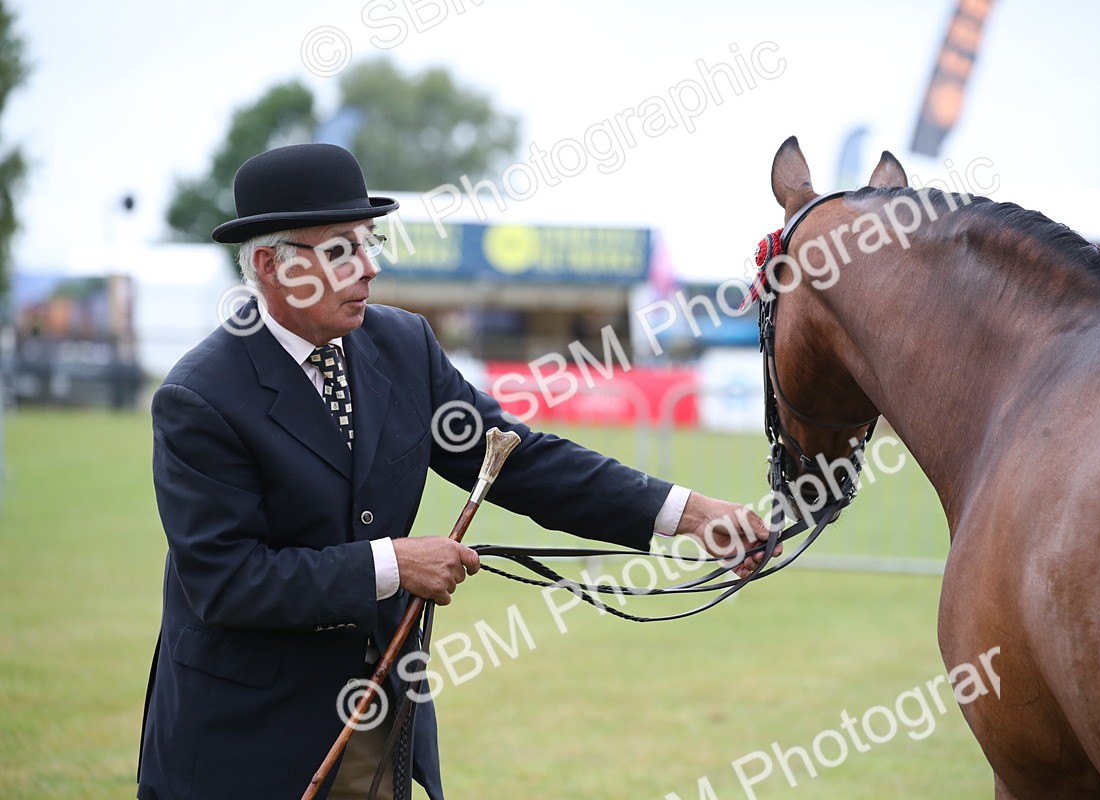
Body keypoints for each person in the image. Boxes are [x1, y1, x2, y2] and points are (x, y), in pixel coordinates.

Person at [136, 143, 773, 800]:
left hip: (378, 721)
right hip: (243, 742)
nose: (371, 267)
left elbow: (521, 461)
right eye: (342, 251)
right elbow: (228, 581)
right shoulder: (200, 397)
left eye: (371, 241)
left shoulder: (403, 347)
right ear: (271, 265)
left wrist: (691, 515)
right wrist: (392, 564)